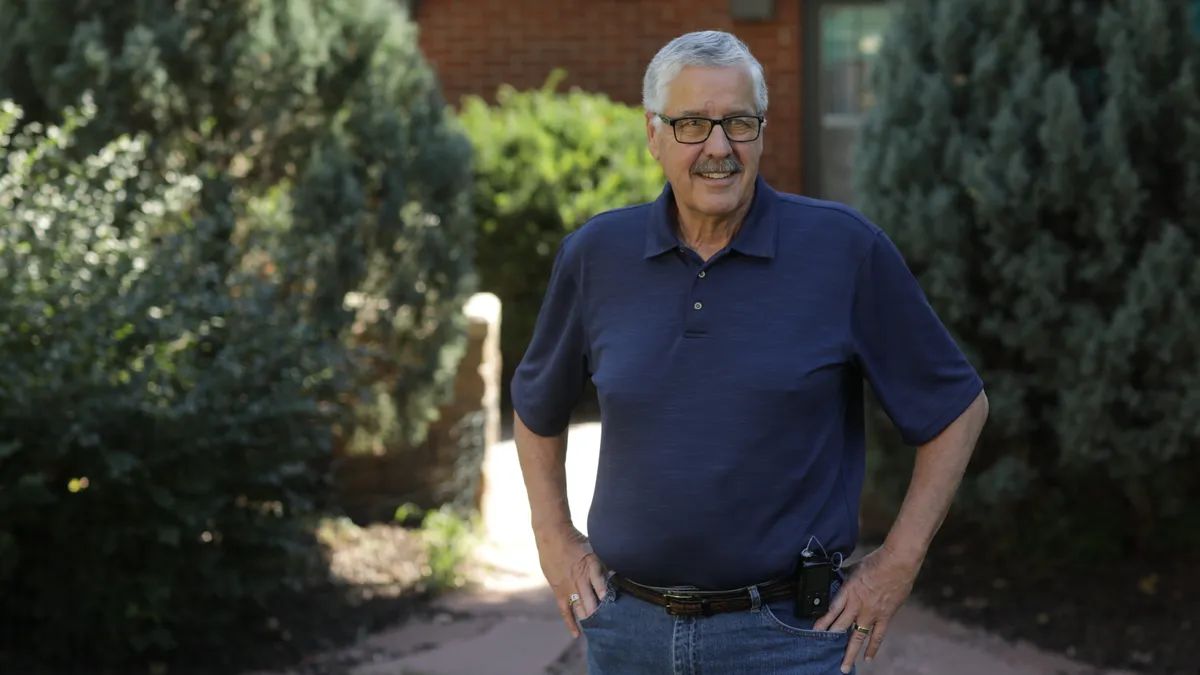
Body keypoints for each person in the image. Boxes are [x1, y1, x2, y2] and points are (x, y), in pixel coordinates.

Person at [509, 30, 989, 675]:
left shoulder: (844, 251)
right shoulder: (597, 256)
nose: (717, 147)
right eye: (691, 125)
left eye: (738, 122)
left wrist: (897, 563)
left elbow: (958, 408)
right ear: (653, 135)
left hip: (787, 640)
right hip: (627, 636)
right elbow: (536, 406)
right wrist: (554, 537)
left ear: (761, 133)